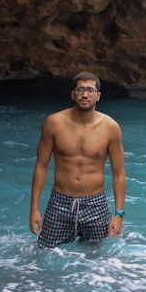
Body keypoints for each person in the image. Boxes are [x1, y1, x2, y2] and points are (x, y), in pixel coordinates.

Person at [30, 72, 126, 248]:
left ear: (98, 96)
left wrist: (118, 214)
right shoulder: (54, 123)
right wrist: (34, 208)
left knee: (97, 261)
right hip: (59, 203)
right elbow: (41, 166)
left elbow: (118, 173)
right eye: (80, 89)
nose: (85, 94)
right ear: (72, 94)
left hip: (95, 204)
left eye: (90, 90)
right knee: (43, 253)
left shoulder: (110, 127)